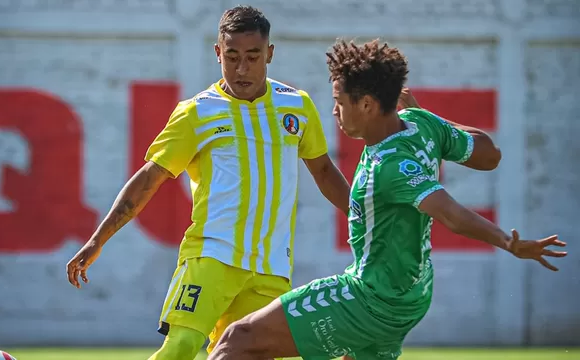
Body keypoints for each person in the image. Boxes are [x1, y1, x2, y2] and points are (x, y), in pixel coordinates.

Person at [207, 39, 568, 360]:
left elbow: (450, 213)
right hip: (409, 299)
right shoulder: (421, 125)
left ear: (365, 104)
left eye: (339, 101)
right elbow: (491, 156)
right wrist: (431, 120)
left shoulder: (389, 166)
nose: (334, 111)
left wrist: (507, 242)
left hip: (368, 298)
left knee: (238, 340)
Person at [65, 5, 351, 360]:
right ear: (218, 53)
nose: (242, 68)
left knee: (244, 355)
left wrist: (365, 218)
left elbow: (324, 171)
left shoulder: (296, 105)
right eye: (232, 56)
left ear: (270, 54)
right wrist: (98, 239)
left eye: (252, 56)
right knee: (181, 347)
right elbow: (149, 178)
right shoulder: (196, 112)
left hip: (271, 265)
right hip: (212, 255)